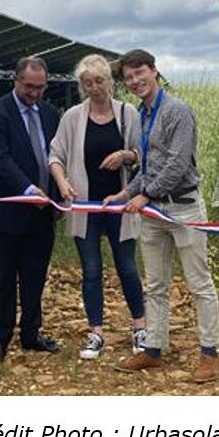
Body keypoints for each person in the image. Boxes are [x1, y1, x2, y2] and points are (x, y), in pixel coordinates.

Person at [103, 49, 219, 383]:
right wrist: (125, 194)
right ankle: (153, 349)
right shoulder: (143, 114)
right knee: (155, 284)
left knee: (199, 283)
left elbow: (177, 163)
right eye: (128, 77)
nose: (135, 81)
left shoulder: (177, 111)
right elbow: (148, 165)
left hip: (183, 207)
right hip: (153, 211)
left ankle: (209, 352)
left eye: (140, 72)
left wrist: (143, 195)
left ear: (154, 71)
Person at [48, 54, 147, 360]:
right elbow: (55, 156)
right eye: (87, 83)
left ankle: (140, 328)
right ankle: (96, 333)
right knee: (91, 271)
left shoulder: (127, 112)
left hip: (120, 204)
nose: (94, 87)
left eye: (99, 81)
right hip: (85, 206)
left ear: (110, 82)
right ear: (82, 86)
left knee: (127, 268)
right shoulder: (72, 117)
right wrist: (63, 184)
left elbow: (143, 154)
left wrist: (125, 155)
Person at [0, 56, 61, 362]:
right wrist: (27, 189)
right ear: (15, 80)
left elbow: (56, 157)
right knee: (1, 278)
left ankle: (31, 333)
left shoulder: (51, 114)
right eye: (28, 87)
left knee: (35, 274)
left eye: (40, 87)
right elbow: (0, 159)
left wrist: (58, 193)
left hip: (41, 214)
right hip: (3, 214)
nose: (34, 93)